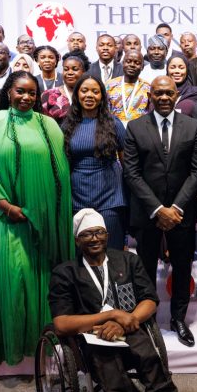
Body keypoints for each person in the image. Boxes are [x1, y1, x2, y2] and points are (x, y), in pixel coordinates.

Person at [49, 209, 197, 392]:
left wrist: (127, 319)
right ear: (77, 240)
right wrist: (110, 315)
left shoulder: (127, 260)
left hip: (128, 328)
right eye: (86, 234)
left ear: (107, 235)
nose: (94, 238)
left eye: (99, 232)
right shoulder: (66, 273)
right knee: (109, 367)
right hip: (91, 340)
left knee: (148, 353)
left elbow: (149, 300)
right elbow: (61, 323)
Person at [0, 71, 72, 367]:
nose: (26, 97)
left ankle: (40, 340)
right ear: (8, 92)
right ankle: (12, 343)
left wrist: (50, 216)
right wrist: (5, 206)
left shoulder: (49, 125)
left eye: (31, 92)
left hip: (43, 221)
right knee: (14, 278)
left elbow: (60, 173)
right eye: (20, 91)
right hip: (7, 220)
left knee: (41, 277)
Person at [123, 76, 197, 347]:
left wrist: (175, 208)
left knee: (182, 267)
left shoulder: (192, 126)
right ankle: (148, 320)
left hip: (182, 212)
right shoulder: (135, 127)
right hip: (147, 212)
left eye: (169, 93)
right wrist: (158, 209)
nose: (163, 98)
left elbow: (196, 172)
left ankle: (178, 319)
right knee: (144, 269)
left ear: (176, 95)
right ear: (151, 95)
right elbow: (132, 174)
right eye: (158, 93)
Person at [64, 75, 127, 249]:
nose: (89, 95)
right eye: (84, 91)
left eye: (95, 91)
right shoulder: (67, 125)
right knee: (82, 252)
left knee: (111, 250)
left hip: (110, 197)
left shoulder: (114, 124)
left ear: (102, 96)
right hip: (77, 196)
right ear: (77, 95)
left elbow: (126, 163)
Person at [105, 50, 151, 126]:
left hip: (139, 132)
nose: (132, 65)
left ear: (142, 67)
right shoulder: (109, 85)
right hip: (114, 130)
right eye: (128, 61)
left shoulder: (148, 88)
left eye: (137, 63)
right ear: (123, 63)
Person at [42, 51, 89, 122]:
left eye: (75, 69)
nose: (70, 73)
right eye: (66, 69)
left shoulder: (91, 94)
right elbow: (43, 122)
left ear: (83, 72)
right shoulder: (48, 95)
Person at [165, 55, 197, 123]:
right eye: (173, 67)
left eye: (181, 68)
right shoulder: (160, 92)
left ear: (187, 70)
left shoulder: (196, 93)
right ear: (167, 70)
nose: (177, 71)